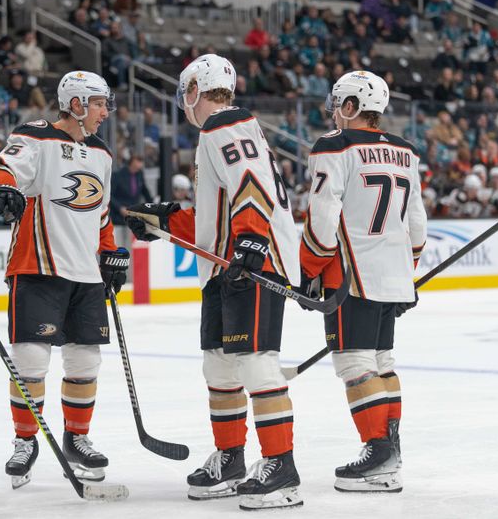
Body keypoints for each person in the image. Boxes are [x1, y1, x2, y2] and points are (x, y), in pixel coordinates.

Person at [125, 54, 302, 510]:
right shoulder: (228, 130)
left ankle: (281, 466)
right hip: (228, 267)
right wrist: (167, 220)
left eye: (186, 92)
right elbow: (215, 218)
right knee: (220, 366)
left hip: (251, 265)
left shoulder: (223, 125)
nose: (185, 101)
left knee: (256, 364)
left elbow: (251, 186)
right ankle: (231, 458)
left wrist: (250, 244)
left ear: (195, 90)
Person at [0, 70, 128, 489]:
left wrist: (110, 254)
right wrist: (5, 188)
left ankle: (77, 438)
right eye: (100, 103)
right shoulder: (35, 136)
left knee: (85, 361)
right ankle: (25, 440)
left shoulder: (101, 152)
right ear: (78, 104)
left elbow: (100, 211)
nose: (106, 112)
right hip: (38, 267)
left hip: (86, 274)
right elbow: (3, 167)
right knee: (30, 361)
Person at [299, 70, 427, 493]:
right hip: (392, 274)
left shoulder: (334, 146)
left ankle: (377, 450)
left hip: (352, 276)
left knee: (356, 363)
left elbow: (322, 217)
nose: (334, 113)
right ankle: (389, 448)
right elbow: (417, 222)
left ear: (351, 106)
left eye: (339, 104)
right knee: (383, 362)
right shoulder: (407, 152)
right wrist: (407, 270)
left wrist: (308, 270)